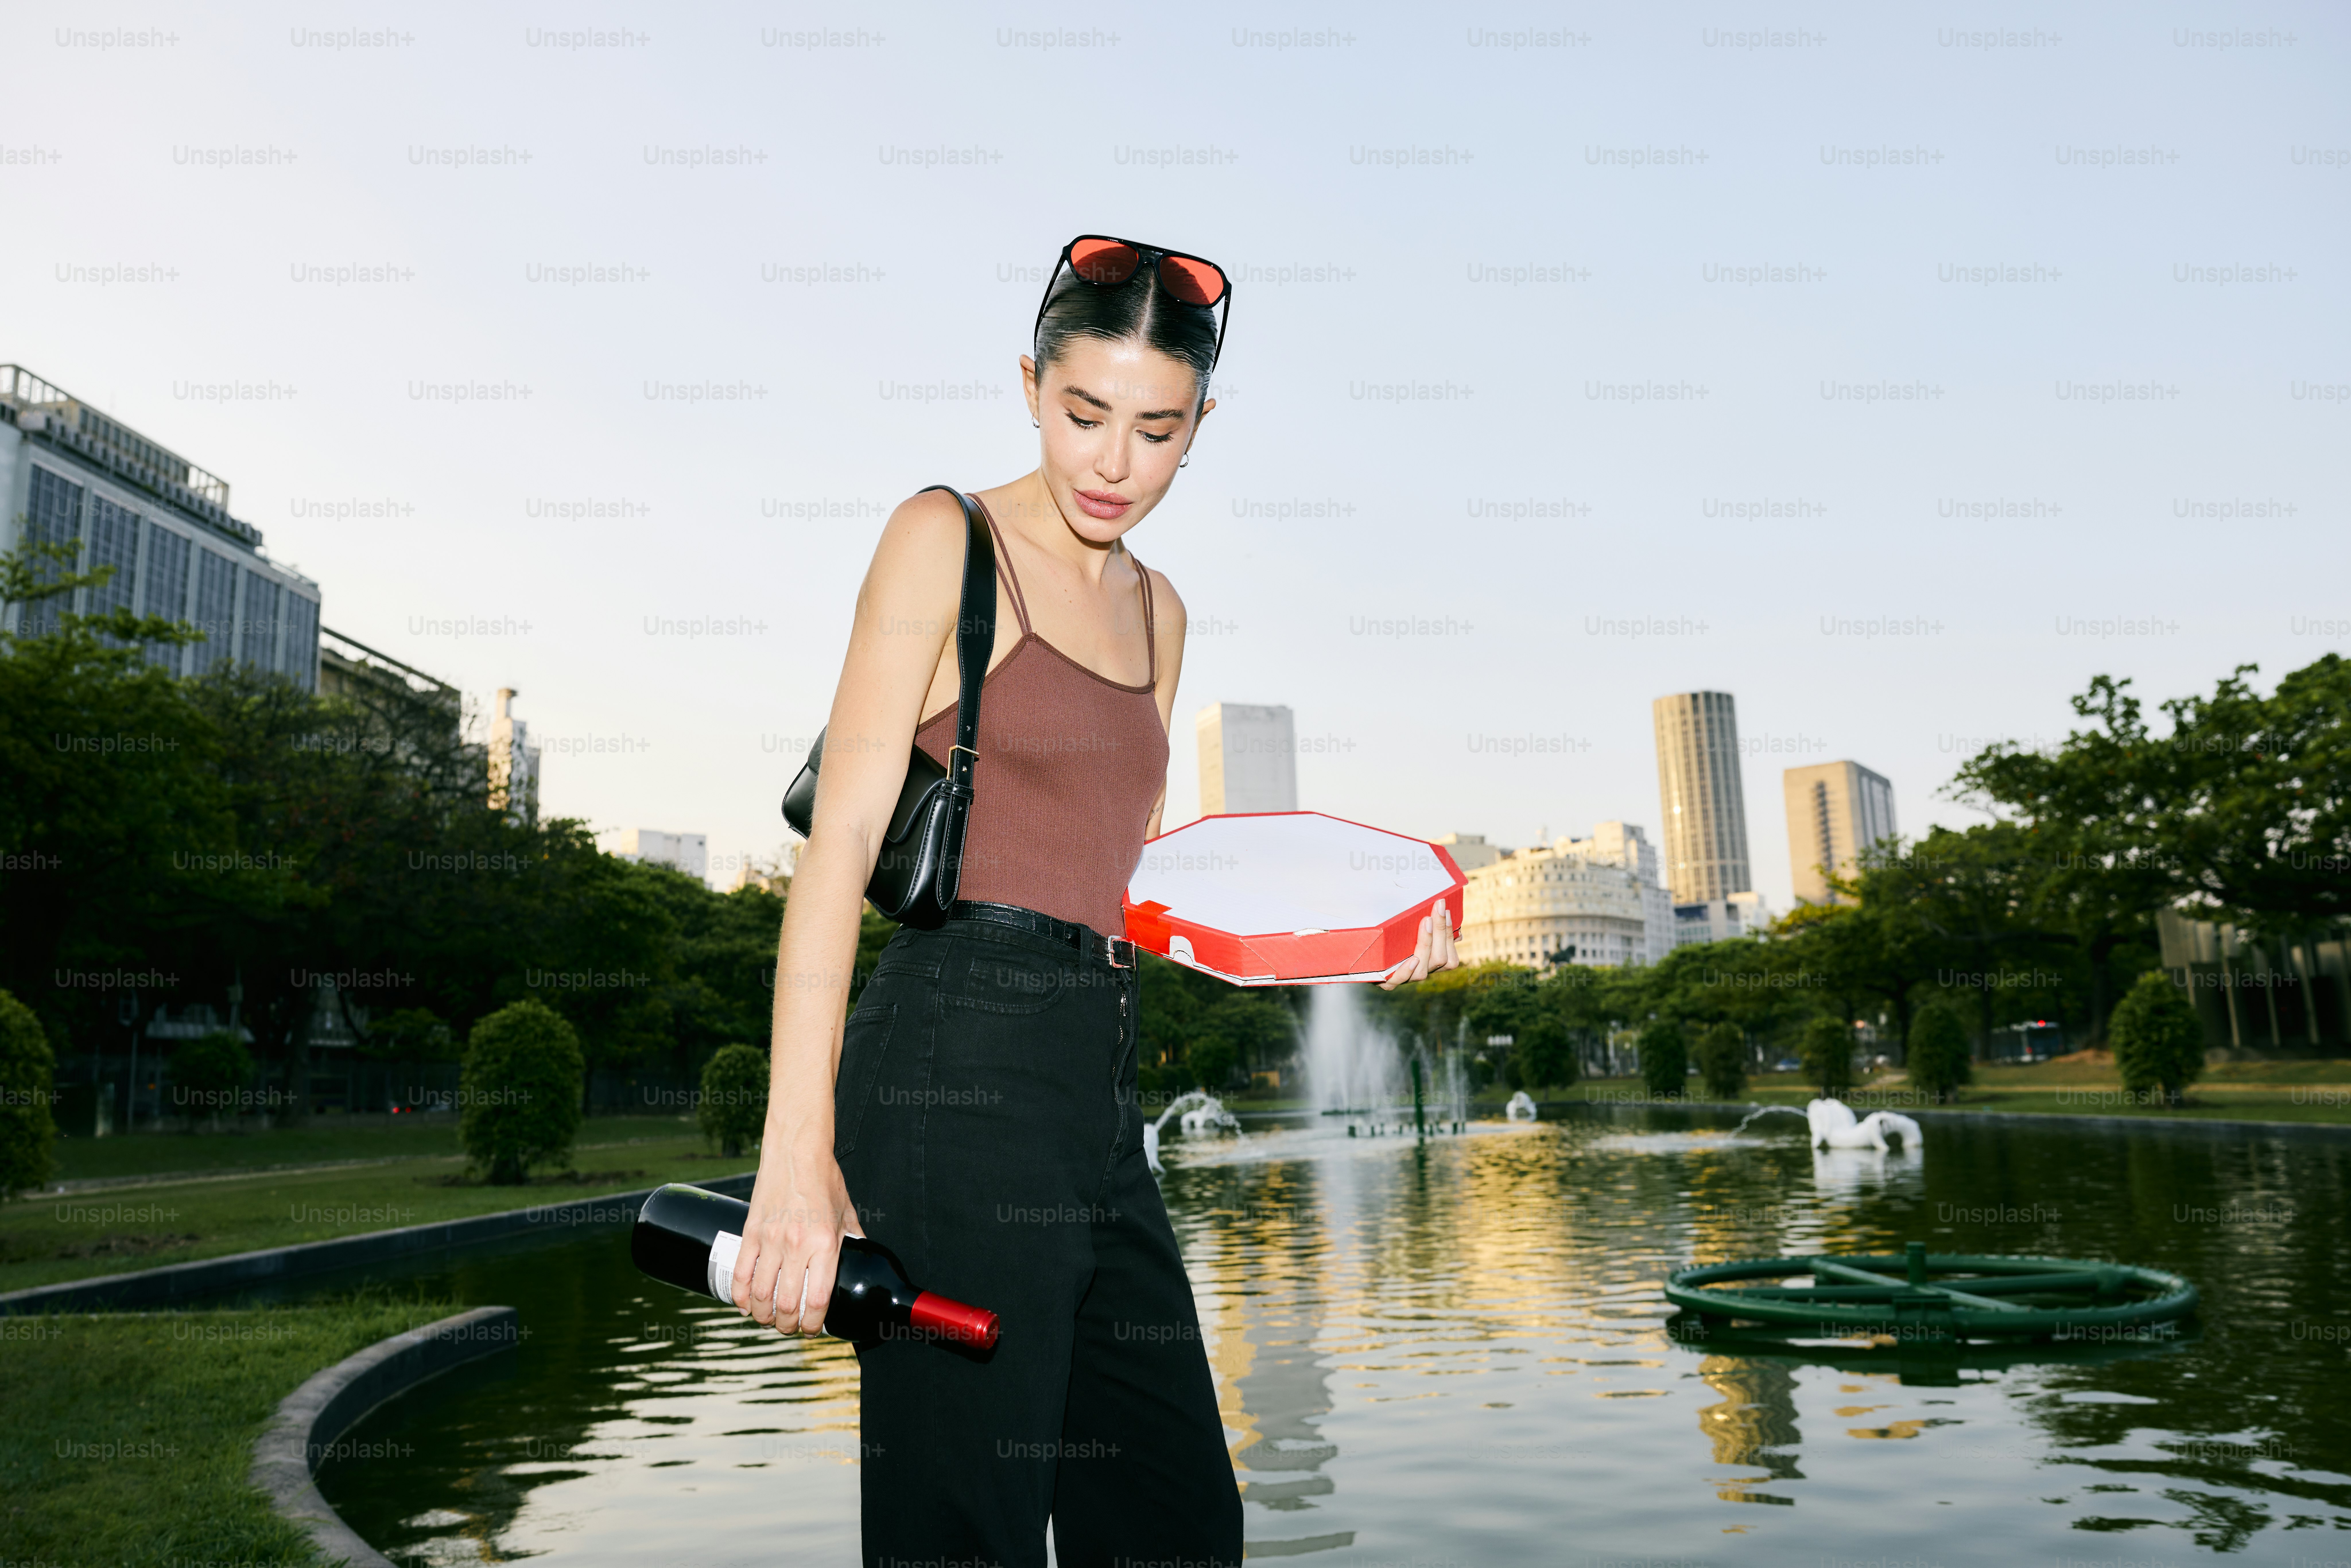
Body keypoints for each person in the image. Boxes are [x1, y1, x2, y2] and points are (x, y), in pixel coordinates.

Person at [733, 234, 1462, 1567]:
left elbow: (1128, 883)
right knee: (968, 1519)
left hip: (1092, 1068)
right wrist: (795, 1156)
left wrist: (1362, 937)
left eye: (1157, 429)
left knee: (1175, 1515)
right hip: (953, 1048)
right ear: (1028, 384)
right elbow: (836, 849)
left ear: (1201, 428)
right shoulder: (944, 539)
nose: (1112, 463)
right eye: (1082, 414)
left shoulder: (1161, 612)